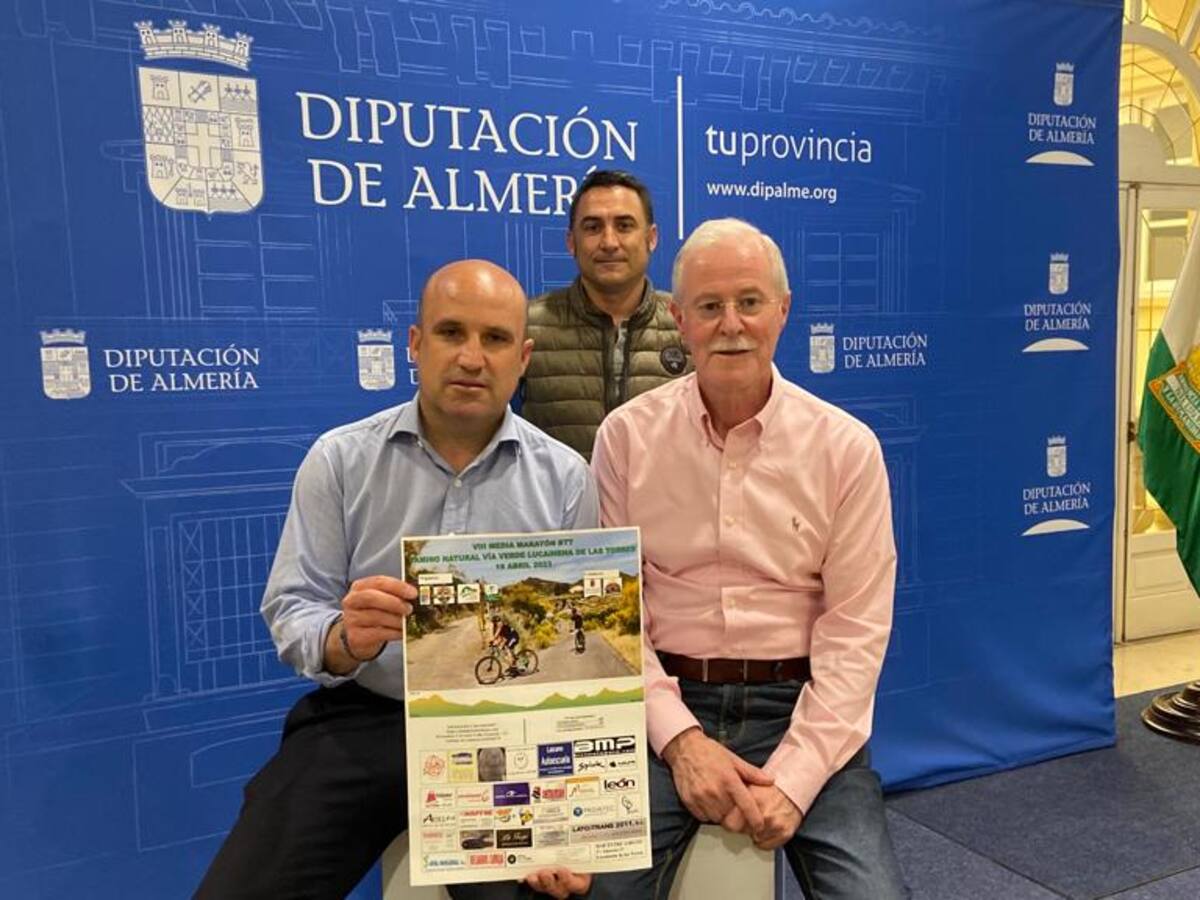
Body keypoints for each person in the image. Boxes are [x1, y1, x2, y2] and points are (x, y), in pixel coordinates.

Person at [196, 259, 594, 900]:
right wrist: (344, 638)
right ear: (415, 343)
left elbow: (580, 653)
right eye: (451, 332)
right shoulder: (340, 459)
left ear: (523, 359)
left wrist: (564, 813)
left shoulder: (567, 478)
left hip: (509, 731)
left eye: (495, 339)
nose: (471, 357)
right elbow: (294, 606)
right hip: (367, 718)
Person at [590, 219, 907, 899]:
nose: (731, 324)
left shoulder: (846, 449)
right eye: (709, 306)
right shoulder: (625, 439)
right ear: (679, 319)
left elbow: (856, 633)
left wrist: (794, 781)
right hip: (665, 705)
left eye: (750, 302)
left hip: (801, 705)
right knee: (596, 892)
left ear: (783, 311)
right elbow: (614, 621)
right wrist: (680, 742)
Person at [521, 170, 690, 460]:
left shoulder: (689, 325)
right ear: (571, 242)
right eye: (593, 227)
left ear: (651, 238)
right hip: (560, 492)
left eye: (624, 226)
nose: (609, 242)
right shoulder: (529, 324)